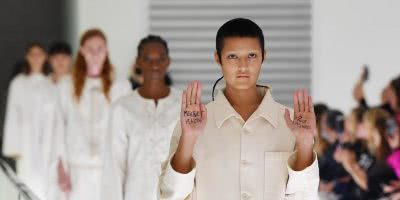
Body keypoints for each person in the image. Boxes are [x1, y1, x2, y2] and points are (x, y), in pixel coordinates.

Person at [159, 18, 319, 200]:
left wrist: (306, 142)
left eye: (251, 55)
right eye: (232, 56)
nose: (243, 66)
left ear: (263, 57)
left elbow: (305, 196)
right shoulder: (191, 124)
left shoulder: (293, 122)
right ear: (218, 59)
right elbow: (170, 196)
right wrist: (188, 138)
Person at [48, 29, 131, 200]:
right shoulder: (66, 87)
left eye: (99, 48)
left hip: (110, 170)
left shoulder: (121, 87)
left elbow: (125, 131)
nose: (95, 54)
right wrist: (60, 167)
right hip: (77, 170)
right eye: (90, 48)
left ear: (106, 51)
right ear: (82, 51)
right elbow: (58, 126)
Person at [101, 35, 181, 200]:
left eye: (160, 58)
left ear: (168, 61)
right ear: (138, 62)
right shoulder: (122, 108)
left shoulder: (185, 103)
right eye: (148, 59)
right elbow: (114, 167)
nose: (154, 65)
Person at [2, 43, 54, 199]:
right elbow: (12, 115)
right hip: (26, 144)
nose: (37, 58)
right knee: (28, 182)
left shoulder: (51, 83)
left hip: (49, 143)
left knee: (49, 184)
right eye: (33, 54)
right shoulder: (19, 83)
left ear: (45, 57)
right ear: (27, 57)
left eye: (40, 54)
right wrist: (13, 148)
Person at [335, 108, 397, 199]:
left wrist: (351, 166)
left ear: (373, 126)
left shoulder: (389, 152)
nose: (360, 125)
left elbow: (375, 187)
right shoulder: (373, 149)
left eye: (363, 122)